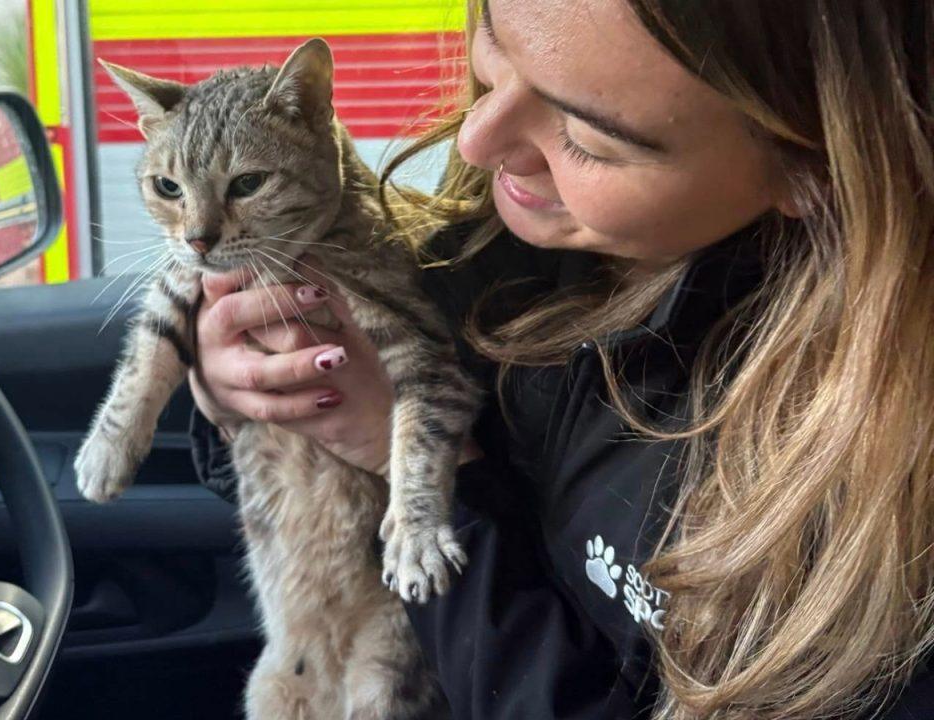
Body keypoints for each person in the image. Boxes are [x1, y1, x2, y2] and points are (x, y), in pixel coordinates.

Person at [186, 1, 934, 717]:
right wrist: (253, 404)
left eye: (588, 137)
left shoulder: (855, 508)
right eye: (494, 48)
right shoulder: (482, 258)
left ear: (812, 169)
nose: (476, 138)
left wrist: (434, 476)